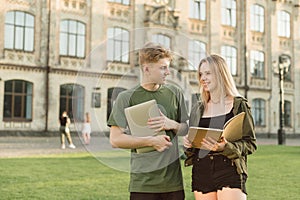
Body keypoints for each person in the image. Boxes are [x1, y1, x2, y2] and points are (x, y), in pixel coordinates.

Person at [107, 42, 189, 200]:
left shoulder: (175, 93)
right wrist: (151, 141)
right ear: (146, 68)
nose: (168, 73)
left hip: (173, 184)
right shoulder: (126, 97)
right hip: (143, 184)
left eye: (168, 67)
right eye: (163, 67)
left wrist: (172, 124)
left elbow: (185, 129)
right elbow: (115, 140)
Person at [183, 54, 257, 200]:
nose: (203, 78)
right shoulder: (198, 108)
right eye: (201, 74)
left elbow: (250, 143)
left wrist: (225, 147)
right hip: (201, 171)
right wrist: (188, 144)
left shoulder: (238, 105)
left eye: (208, 73)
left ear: (220, 73)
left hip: (229, 169)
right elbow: (192, 150)